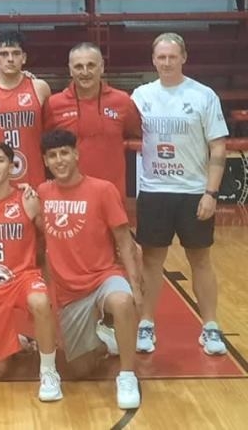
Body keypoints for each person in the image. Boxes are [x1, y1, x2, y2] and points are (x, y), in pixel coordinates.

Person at [131, 33, 229, 355]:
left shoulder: (203, 95)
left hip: (192, 192)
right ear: (153, 60)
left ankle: (211, 327)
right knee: (151, 262)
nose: (167, 62)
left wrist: (210, 193)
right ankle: (146, 324)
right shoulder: (140, 95)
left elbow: (218, 145)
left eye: (173, 57)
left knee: (200, 259)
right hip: (154, 191)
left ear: (184, 57)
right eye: (161, 57)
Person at [38, 129, 141, 410]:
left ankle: (127, 376)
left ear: (76, 154)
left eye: (64, 153)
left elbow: (124, 241)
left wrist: (135, 285)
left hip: (104, 276)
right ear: (46, 162)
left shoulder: (102, 189)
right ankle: (105, 340)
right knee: (80, 369)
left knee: (121, 302)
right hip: (70, 291)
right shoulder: (42, 193)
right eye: (52, 156)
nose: (59, 160)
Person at [0, 141, 60, 401]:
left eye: (0, 160)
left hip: (24, 277)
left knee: (40, 301)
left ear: (11, 166)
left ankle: (49, 371)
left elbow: (51, 237)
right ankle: (15, 340)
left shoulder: (27, 200)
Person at [43, 42, 142, 199]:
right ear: (70, 70)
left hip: (112, 195)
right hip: (69, 197)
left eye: (91, 65)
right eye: (78, 66)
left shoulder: (122, 101)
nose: (85, 72)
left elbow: (137, 133)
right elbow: (44, 146)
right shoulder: (54, 104)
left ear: (101, 67)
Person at [0, 30, 51, 187]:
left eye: (15, 53)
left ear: (24, 57)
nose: (10, 59)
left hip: (32, 176)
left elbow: (49, 132)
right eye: (4, 54)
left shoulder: (40, 88)